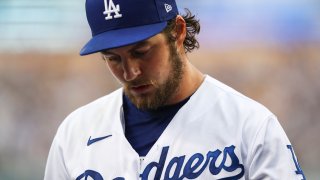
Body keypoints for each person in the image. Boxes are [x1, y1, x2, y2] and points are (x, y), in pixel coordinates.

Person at [44, 0, 306, 179]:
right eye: (113, 58)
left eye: (141, 52)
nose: (130, 72)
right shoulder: (75, 133)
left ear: (178, 32)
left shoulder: (250, 125)